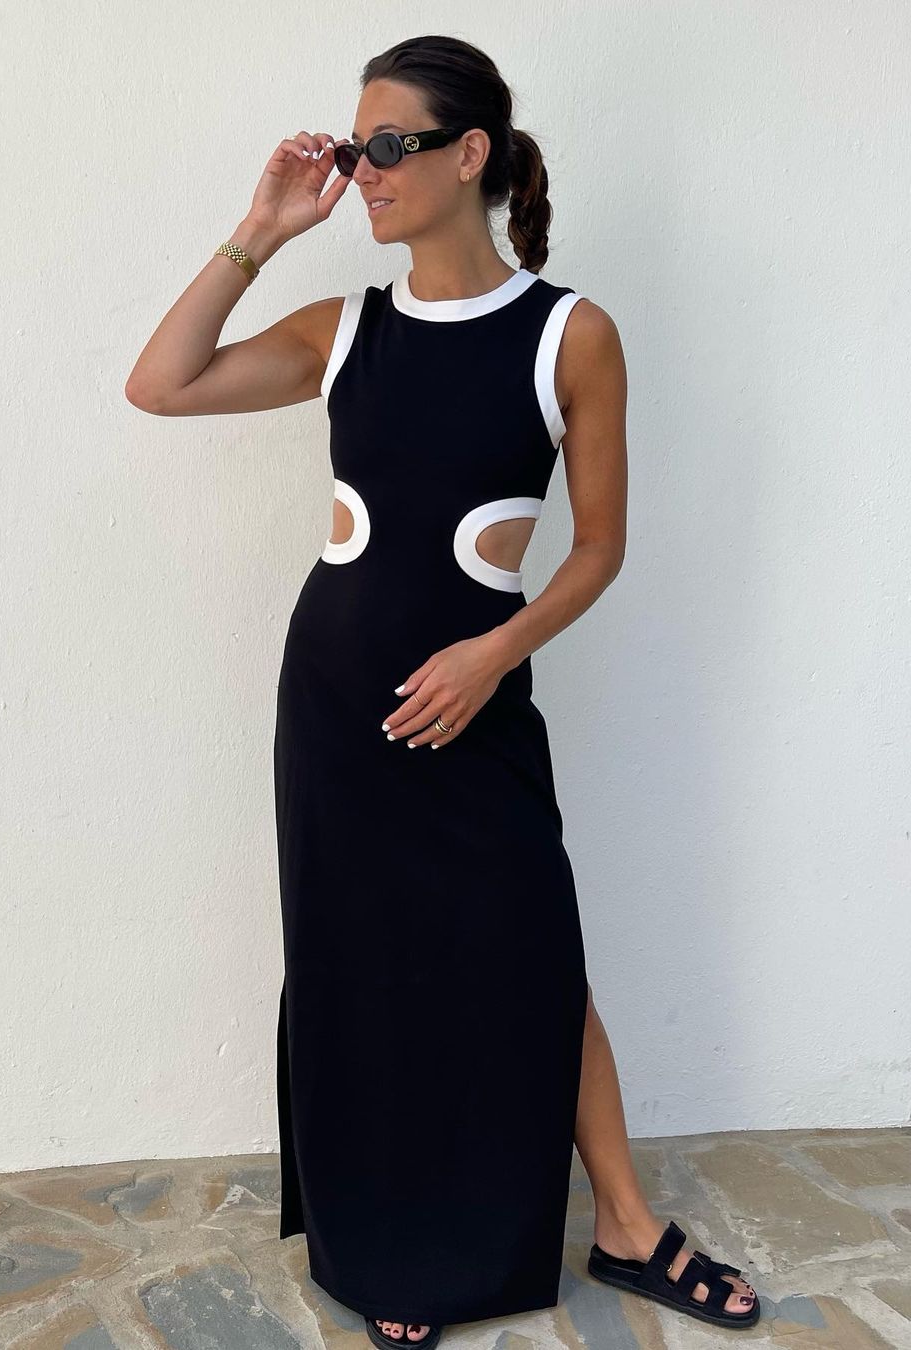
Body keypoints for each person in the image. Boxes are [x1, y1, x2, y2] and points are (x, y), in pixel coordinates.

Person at [126, 32, 760, 1349]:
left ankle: (628, 1224)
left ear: (471, 154)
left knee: (536, 950)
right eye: (353, 148)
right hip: (334, 714)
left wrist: (494, 654)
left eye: (387, 146)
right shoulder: (345, 328)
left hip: (475, 707)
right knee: (362, 967)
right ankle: (392, 1249)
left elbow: (598, 547)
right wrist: (263, 230)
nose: (362, 171)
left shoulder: (570, 333)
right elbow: (160, 382)